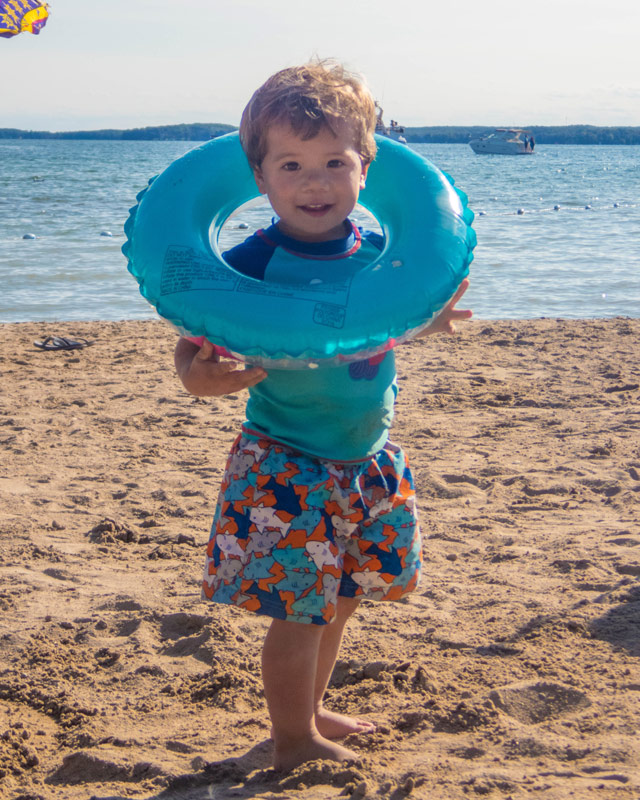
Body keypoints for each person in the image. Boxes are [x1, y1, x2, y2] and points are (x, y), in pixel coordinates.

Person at [174, 60, 471, 772]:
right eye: (293, 164)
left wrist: (428, 324)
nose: (316, 183)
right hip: (286, 461)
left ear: (367, 168)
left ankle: (310, 707)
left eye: (335, 162)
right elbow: (192, 356)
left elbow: (382, 325)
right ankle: (291, 739)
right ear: (261, 178)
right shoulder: (249, 265)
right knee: (298, 610)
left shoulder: (378, 261)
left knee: (340, 599)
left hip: (366, 458)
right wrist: (204, 376)